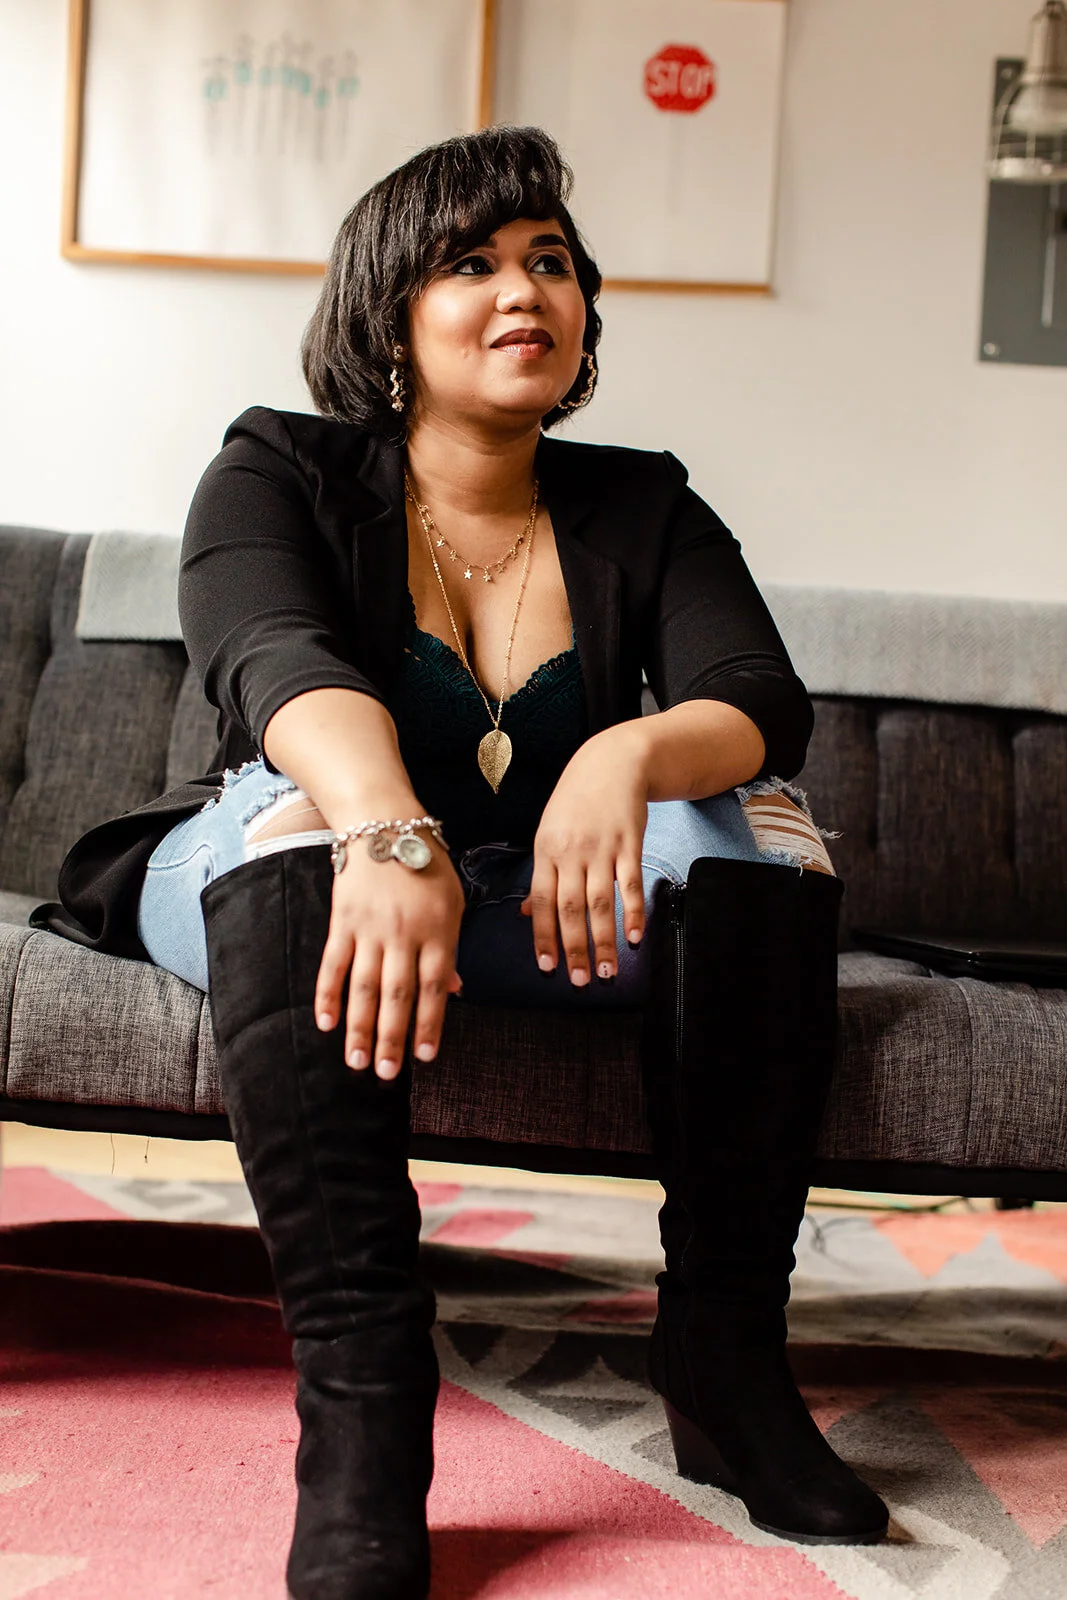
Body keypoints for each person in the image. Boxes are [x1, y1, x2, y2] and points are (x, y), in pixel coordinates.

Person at [38, 126, 888, 1599]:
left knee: (761, 835)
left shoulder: (644, 502)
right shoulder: (276, 466)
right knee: (301, 830)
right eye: (472, 262)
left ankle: (725, 1362)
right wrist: (386, 824)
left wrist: (623, 756)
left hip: (538, 911)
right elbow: (269, 655)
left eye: (549, 262)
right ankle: (364, 1414)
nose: (524, 291)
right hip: (292, 877)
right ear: (388, 312)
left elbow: (756, 698)